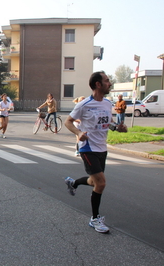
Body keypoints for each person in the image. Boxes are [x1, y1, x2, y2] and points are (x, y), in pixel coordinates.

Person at [64, 71, 127, 234]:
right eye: (107, 81)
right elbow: (68, 122)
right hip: (88, 148)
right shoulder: (84, 104)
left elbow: (108, 122)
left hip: (102, 148)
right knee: (101, 183)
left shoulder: (107, 103)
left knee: (94, 182)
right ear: (98, 84)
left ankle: (74, 183)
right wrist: (78, 134)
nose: (110, 83)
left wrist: (117, 128)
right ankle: (94, 219)